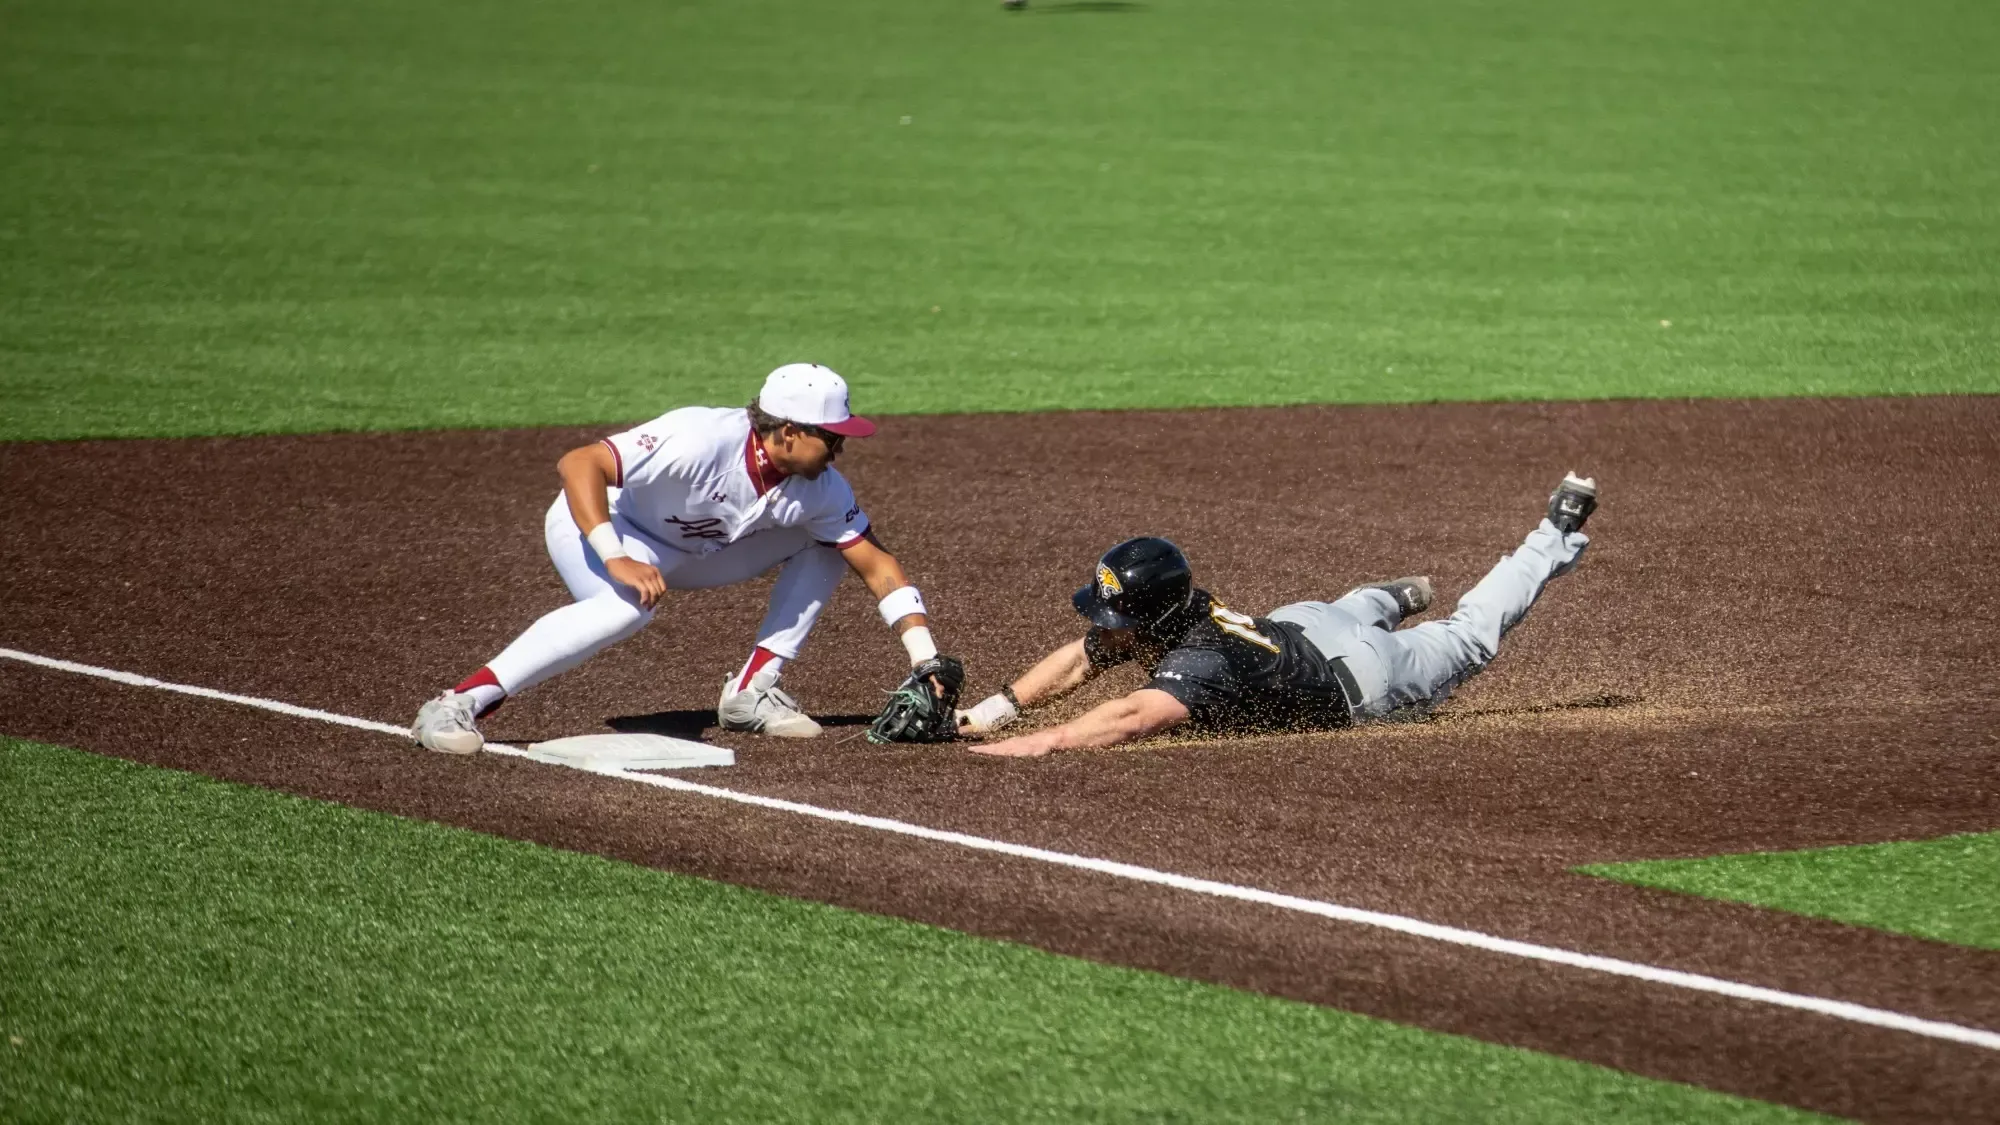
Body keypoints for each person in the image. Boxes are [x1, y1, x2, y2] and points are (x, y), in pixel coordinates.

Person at [411, 364, 951, 753]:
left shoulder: (822, 488)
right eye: (831, 437)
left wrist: (923, 658)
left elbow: (877, 564)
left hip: (697, 550)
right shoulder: (698, 438)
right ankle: (459, 702)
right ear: (789, 431)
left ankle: (751, 692)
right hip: (605, 528)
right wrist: (614, 555)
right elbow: (580, 463)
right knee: (627, 608)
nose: (840, 449)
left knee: (830, 543)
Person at [957, 474, 1599, 756]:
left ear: (1151, 619)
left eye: (1117, 619)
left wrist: (1046, 739)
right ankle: (1389, 600)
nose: (1104, 630)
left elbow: (1130, 718)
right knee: (1351, 611)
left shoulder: (1197, 662)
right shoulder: (1181, 611)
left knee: (1466, 637)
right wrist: (985, 715)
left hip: (1362, 676)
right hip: (1305, 624)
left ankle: (1556, 531)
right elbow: (1081, 658)